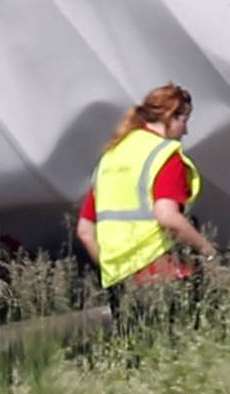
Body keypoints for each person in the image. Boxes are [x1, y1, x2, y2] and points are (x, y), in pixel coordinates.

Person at [76, 83, 217, 287]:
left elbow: (85, 231)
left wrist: (112, 270)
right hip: (163, 270)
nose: (185, 130)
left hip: (118, 280)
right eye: (184, 121)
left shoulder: (110, 158)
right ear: (170, 117)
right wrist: (208, 251)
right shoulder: (164, 155)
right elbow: (167, 216)